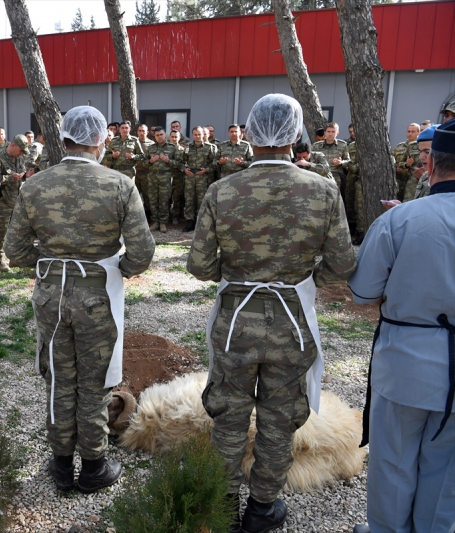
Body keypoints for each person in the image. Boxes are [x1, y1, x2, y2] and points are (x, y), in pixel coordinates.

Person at [187, 94, 356, 532]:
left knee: (228, 413)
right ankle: (263, 508)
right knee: (281, 418)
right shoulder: (322, 190)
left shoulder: (221, 191)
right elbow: (341, 267)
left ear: (251, 132)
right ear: (295, 134)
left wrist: (244, 273)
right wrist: (297, 275)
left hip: (235, 321)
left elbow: (201, 266)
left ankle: (222, 502)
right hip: (291, 321)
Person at [4, 105, 155, 495]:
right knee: (95, 382)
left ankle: (59, 464)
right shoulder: (120, 185)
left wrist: (53, 266)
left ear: (65, 138)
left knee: (58, 378)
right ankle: (93, 465)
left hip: (52, 295)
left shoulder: (35, 185)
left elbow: (15, 250)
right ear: (101, 140)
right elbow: (142, 252)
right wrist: (117, 267)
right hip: (98, 293)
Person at [349, 118, 455, 533]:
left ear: (431, 166)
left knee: (393, 462)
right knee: (445, 470)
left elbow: (362, 292)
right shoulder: (403, 219)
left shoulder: (400, 221)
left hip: (407, 362)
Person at [0, 134, 33, 272]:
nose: (21, 153)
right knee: (1, 232)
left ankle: (13, 258)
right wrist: (10, 178)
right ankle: (0, 260)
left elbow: (21, 173)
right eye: (20, 150)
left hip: (16, 200)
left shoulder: (18, 158)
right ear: (13, 145)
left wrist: (25, 176)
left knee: (15, 231)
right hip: (3, 200)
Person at [144, 126, 181, 233]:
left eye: (161, 134)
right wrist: (150, 161)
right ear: (154, 136)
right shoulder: (150, 148)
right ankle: (155, 222)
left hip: (165, 177)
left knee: (164, 200)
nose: (159, 137)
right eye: (157, 135)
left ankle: (163, 222)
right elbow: (144, 163)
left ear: (165, 135)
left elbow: (179, 164)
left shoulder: (172, 147)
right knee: (153, 200)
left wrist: (168, 161)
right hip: (152, 177)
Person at [181, 125, 216, 232]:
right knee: (189, 200)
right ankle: (190, 222)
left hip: (203, 178)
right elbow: (182, 161)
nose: (197, 137)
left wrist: (206, 170)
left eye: (199, 134)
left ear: (204, 134)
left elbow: (215, 163)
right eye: (195, 135)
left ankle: (201, 222)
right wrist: (184, 169)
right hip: (190, 177)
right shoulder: (188, 147)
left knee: (202, 201)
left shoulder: (210, 147)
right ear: (192, 135)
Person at [393, 123, 421, 202]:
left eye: (413, 131)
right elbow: (393, 162)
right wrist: (404, 165)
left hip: (412, 183)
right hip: (399, 181)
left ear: (418, 133)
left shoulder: (420, 147)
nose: (410, 134)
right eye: (408, 131)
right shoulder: (399, 147)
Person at [135, 124, 155, 218]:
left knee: (147, 196)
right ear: (137, 132)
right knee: (134, 196)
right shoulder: (134, 142)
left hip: (147, 174)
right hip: (135, 173)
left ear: (147, 132)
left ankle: (148, 216)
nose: (141, 132)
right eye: (140, 130)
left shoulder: (151, 144)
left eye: (143, 131)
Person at [169, 130, 187, 224]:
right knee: (166, 198)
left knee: (177, 198)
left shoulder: (183, 150)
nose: (174, 138)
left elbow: (183, 164)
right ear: (169, 137)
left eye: (176, 137)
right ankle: (167, 216)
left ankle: (176, 216)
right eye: (172, 136)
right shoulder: (165, 149)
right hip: (166, 177)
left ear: (179, 138)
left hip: (178, 177)